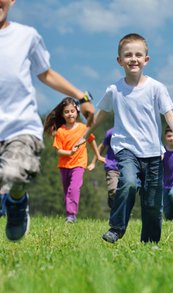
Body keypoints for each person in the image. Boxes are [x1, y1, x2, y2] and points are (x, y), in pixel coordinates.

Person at [79, 33, 173, 244]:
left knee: (151, 203)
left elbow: (169, 115)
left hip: (152, 152)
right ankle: (116, 228)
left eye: (138, 55)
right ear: (119, 60)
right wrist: (84, 136)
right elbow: (100, 114)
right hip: (126, 148)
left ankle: (149, 243)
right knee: (129, 182)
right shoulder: (114, 90)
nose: (133, 59)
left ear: (146, 59)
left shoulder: (156, 88)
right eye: (128, 55)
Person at [0, 0, 94, 241]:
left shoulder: (25, 36)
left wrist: (80, 96)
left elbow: (46, 73)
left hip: (20, 127)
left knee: (13, 174)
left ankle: (17, 201)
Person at [44, 98, 102, 223]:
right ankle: (71, 215)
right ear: (62, 115)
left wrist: (97, 156)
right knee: (67, 191)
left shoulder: (83, 128)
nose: (70, 114)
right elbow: (58, 150)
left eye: (72, 111)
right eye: (66, 112)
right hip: (64, 165)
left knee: (74, 189)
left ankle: (71, 215)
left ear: (77, 112)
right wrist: (69, 152)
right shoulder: (60, 131)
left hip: (79, 164)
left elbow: (91, 141)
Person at [87, 128, 119, 209]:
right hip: (112, 167)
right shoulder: (111, 132)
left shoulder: (132, 131)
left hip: (127, 167)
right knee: (114, 191)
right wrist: (94, 162)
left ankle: (122, 212)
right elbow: (101, 146)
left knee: (125, 192)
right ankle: (113, 202)